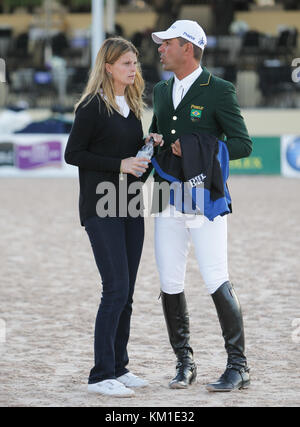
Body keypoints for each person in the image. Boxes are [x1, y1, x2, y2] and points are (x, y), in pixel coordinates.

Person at [149, 20, 252, 392]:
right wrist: (155, 141)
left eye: (167, 43)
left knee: (215, 277)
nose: (160, 49)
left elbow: (242, 144)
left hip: (203, 196)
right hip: (165, 195)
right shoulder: (160, 90)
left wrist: (197, 148)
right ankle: (184, 362)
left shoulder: (219, 90)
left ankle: (239, 366)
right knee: (169, 281)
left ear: (188, 48)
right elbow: (158, 135)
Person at [64, 37, 163, 397]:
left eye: (135, 63)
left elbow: (132, 168)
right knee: (115, 288)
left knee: (128, 292)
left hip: (131, 204)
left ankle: (119, 368)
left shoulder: (133, 105)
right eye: (126, 63)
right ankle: (99, 374)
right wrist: (118, 164)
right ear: (108, 67)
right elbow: (73, 154)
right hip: (100, 206)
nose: (133, 68)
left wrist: (146, 150)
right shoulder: (91, 106)